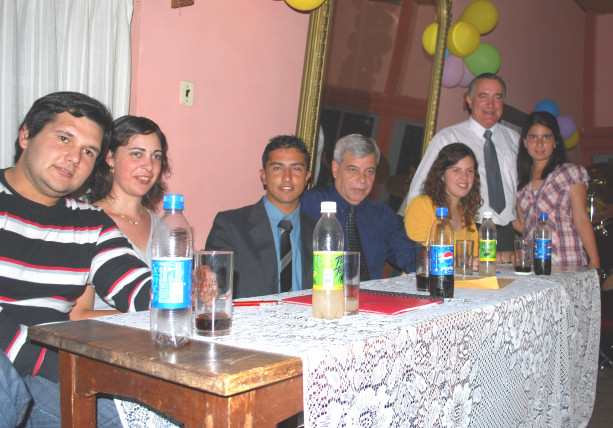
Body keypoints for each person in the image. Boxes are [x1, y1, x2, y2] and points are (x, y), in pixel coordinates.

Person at [0, 92, 152, 427]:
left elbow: (137, 287)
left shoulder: (88, 222)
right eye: (64, 138)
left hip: (48, 367)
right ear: (26, 135)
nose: (74, 158)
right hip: (27, 363)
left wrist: (187, 291)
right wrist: (66, 366)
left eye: (88, 151)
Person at [398, 73, 520, 252]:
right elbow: (419, 189)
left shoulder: (515, 140)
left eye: (497, 97)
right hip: (466, 227)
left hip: (505, 232)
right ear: (469, 100)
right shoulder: (447, 137)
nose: (491, 104)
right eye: (483, 96)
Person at [70, 115, 169, 320]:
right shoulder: (86, 225)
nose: (149, 166)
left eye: (156, 156)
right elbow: (78, 315)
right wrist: (151, 316)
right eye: (136, 154)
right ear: (110, 157)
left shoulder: (166, 227)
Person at [206, 135, 316, 298]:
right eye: (277, 168)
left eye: (296, 169)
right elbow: (216, 291)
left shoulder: (318, 231)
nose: (287, 177)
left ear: (307, 177)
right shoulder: (230, 227)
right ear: (263, 176)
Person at [301, 134, 415, 279]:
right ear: (335, 169)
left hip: (371, 293)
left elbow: (412, 258)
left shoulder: (383, 217)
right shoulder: (308, 204)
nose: (362, 179)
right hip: (321, 291)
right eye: (353, 170)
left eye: (369, 171)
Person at [513, 111, 600, 269]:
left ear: (555, 142)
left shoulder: (570, 173)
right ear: (525, 142)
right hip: (535, 266)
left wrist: (595, 262)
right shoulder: (520, 182)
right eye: (533, 137)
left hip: (568, 263)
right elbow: (523, 225)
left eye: (546, 137)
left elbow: (581, 219)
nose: (539, 144)